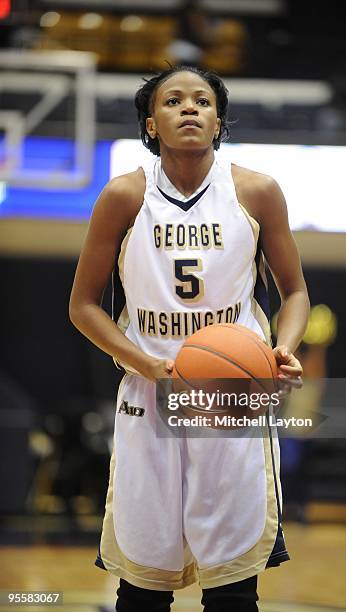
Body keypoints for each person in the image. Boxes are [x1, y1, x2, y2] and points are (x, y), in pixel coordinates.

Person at [69, 65, 310, 611]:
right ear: (151, 124)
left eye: (202, 101)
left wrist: (284, 349)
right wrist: (145, 363)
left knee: (231, 589)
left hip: (231, 399)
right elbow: (82, 306)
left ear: (219, 121)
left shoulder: (257, 191)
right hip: (151, 397)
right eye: (173, 100)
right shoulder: (124, 196)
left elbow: (295, 293)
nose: (189, 108)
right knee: (142, 588)